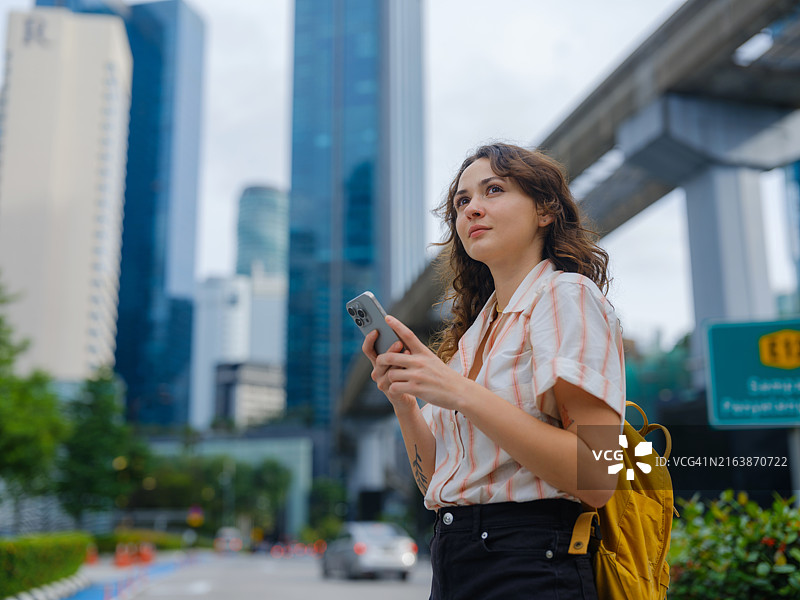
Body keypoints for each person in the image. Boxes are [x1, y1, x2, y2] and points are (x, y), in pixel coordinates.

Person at [361, 143, 625, 600]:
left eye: (494, 190)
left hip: (529, 565)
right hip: (456, 557)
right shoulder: (474, 337)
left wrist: (458, 393)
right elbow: (438, 484)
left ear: (545, 210)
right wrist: (404, 401)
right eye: (461, 201)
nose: (472, 209)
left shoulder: (565, 298)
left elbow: (596, 476)